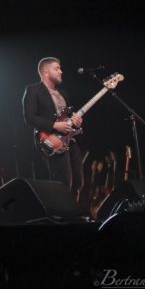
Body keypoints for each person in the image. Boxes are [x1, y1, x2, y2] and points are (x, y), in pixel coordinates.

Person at [22, 57, 84, 198]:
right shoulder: (33, 90)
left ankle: (73, 214)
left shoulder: (63, 93)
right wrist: (54, 125)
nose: (61, 71)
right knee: (63, 181)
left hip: (70, 140)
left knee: (78, 182)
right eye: (57, 68)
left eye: (60, 68)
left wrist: (76, 122)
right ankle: (60, 216)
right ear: (46, 72)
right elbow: (29, 118)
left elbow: (68, 119)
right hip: (50, 139)